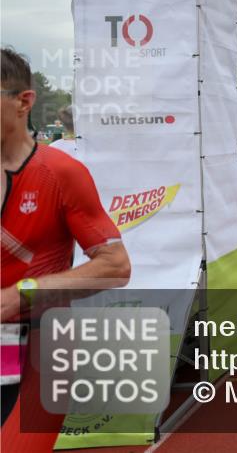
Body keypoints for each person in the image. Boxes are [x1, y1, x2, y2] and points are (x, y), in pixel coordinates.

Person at [0, 48, 131, 440]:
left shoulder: (60, 173)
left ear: (24, 102)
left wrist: (19, 295)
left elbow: (115, 265)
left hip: (40, 342)